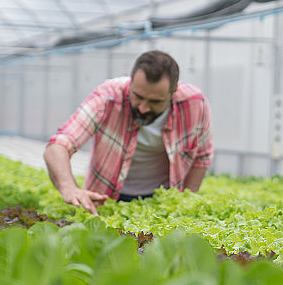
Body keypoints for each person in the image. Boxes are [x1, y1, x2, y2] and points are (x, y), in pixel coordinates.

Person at [43, 50, 213, 214]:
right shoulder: (107, 97)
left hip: (162, 202)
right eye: (138, 96)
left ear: (173, 92)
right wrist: (69, 188)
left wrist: (184, 200)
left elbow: (202, 157)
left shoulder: (194, 104)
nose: (144, 108)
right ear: (131, 80)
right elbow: (58, 146)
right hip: (106, 199)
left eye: (155, 101)